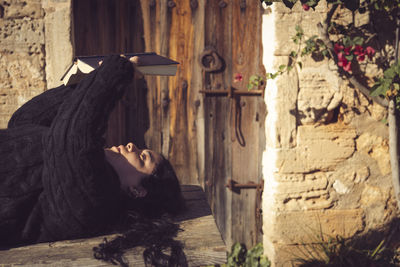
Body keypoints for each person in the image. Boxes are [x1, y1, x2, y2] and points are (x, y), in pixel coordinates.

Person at [0, 55, 186, 266]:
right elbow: (24, 121)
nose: (133, 145)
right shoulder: (92, 170)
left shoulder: (97, 199)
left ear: (138, 190)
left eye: (143, 157)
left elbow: (71, 138)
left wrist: (112, 76)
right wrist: (83, 83)